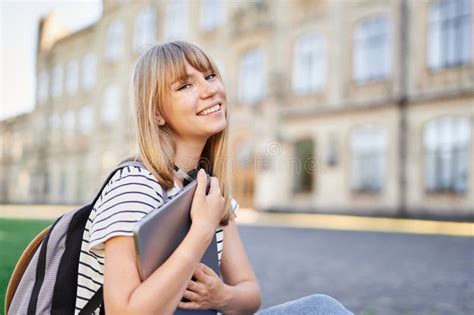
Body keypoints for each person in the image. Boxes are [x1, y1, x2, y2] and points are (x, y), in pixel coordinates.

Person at [75, 41, 353, 314]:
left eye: (210, 76)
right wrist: (201, 232)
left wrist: (221, 296)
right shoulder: (135, 186)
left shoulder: (208, 190)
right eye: (185, 85)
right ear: (157, 113)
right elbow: (123, 312)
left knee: (321, 307)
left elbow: (250, 294)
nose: (210, 90)